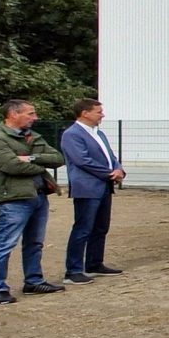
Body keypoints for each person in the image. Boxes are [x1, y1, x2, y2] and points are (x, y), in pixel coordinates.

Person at [0, 100, 66, 305]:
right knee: (5, 244)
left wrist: (29, 158)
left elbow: (57, 158)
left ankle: (34, 281)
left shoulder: (32, 137)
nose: (35, 118)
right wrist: (40, 166)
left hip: (38, 196)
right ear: (13, 114)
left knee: (35, 243)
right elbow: (12, 166)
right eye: (30, 113)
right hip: (14, 199)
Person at [60, 98, 126, 282]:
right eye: (98, 111)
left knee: (100, 227)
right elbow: (82, 160)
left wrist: (118, 169)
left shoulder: (99, 133)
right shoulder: (72, 134)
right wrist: (109, 174)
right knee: (82, 228)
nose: (102, 115)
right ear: (85, 113)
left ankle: (94, 263)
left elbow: (110, 156)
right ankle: (73, 271)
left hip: (103, 186)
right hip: (87, 188)